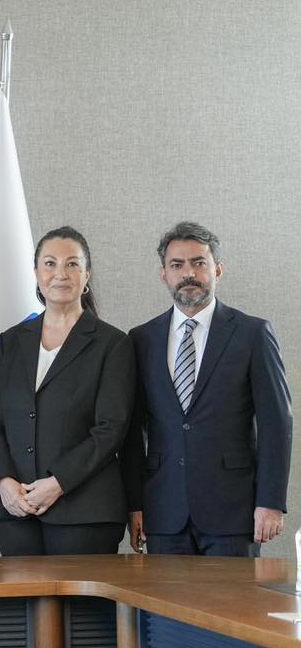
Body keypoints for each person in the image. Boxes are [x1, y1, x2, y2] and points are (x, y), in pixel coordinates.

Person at [124, 222, 291, 556]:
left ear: (217, 270)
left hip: (234, 511)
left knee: (233, 593)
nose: (189, 273)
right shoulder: (141, 339)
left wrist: (270, 502)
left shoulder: (252, 334)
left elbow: (276, 422)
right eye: (177, 265)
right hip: (163, 510)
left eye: (199, 262)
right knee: (163, 595)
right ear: (164, 275)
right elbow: (131, 431)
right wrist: (135, 503)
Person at [0, 226, 135, 556]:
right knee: (22, 593)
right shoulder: (11, 341)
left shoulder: (113, 344)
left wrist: (58, 482)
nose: (60, 273)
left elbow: (111, 429)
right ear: (36, 273)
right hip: (14, 509)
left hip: (85, 511)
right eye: (50, 263)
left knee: (79, 594)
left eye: (72, 264)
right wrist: (3, 480)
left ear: (87, 275)